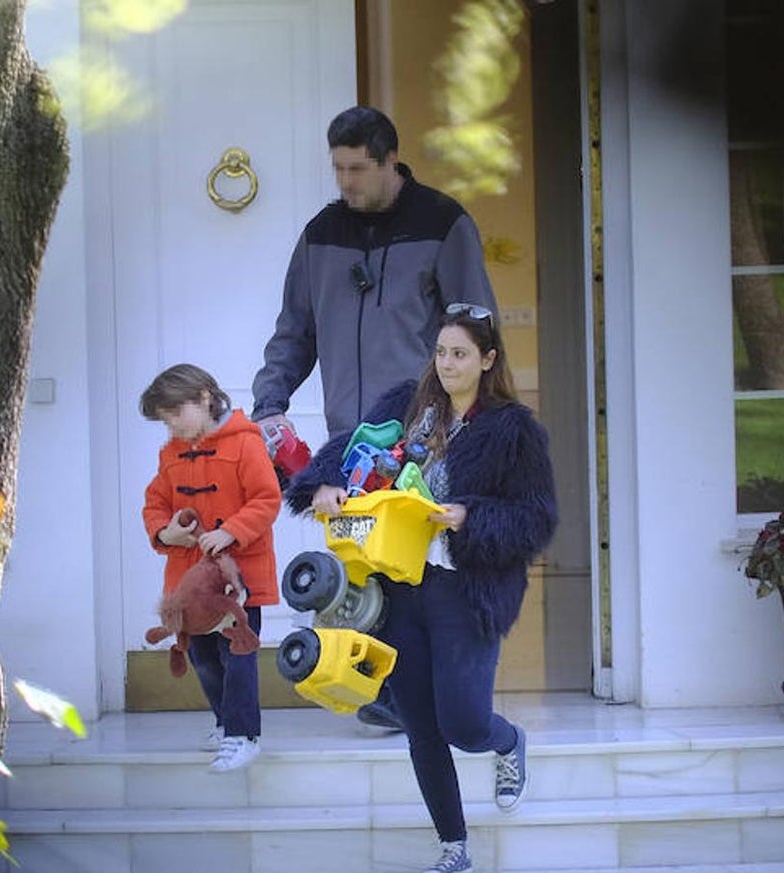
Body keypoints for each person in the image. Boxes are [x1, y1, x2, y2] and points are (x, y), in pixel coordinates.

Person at [283, 305, 557, 873]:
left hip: (464, 590)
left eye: (460, 354)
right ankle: (453, 847)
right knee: (419, 724)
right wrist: (324, 485)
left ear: (488, 359)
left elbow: (537, 518)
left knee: (463, 721)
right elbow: (348, 449)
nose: (448, 363)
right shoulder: (407, 406)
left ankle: (506, 743)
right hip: (395, 589)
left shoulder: (514, 429)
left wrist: (469, 515)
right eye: (441, 352)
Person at [251, 104, 499, 731]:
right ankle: (389, 694)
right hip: (351, 438)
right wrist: (269, 405)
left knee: (423, 564)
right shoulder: (320, 235)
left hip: (425, 431)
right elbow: (294, 332)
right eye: (338, 169)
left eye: (358, 169)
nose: (346, 183)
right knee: (363, 565)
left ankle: (444, 697)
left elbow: (474, 325)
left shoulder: (444, 223)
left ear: (392, 160)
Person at [140, 364, 282, 774]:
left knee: (237, 653)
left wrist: (231, 532)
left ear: (204, 397)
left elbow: (265, 499)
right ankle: (225, 721)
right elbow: (155, 504)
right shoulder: (170, 453)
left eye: (175, 414)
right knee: (201, 654)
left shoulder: (244, 444)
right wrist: (165, 533)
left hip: (237, 580)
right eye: (165, 421)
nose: (172, 427)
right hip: (190, 581)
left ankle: (243, 735)